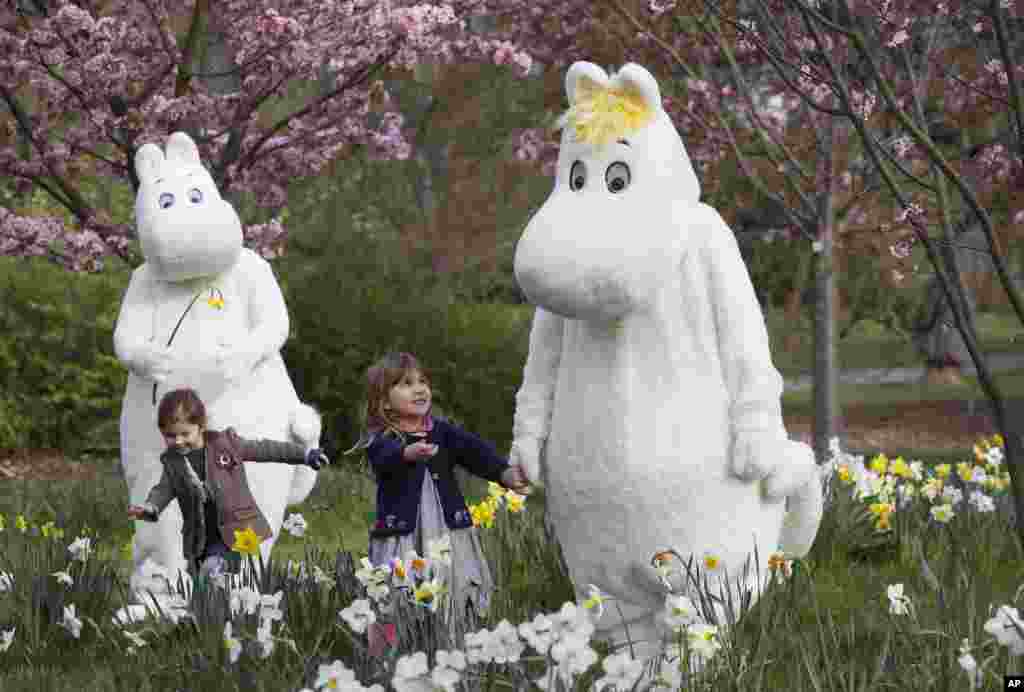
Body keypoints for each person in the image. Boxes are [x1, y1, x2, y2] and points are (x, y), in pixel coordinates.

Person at [347, 352, 530, 638]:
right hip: (403, 536)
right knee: (397, 590)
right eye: (406, 383)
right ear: (384, 402)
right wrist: (406, 453)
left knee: (453, 584)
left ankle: (453, 644)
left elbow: (474, 452)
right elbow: (383, 458)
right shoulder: (382, 439)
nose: (419, 388)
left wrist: (504, 473)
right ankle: (394, 655)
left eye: (423, 381)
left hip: (447, 532)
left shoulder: (443, 433)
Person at [127, 388, 329, 586]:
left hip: (235, 530)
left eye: (185, 434)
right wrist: (151, 507)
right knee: (202, 584)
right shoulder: (173, 462)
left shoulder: (226, 445)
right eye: (170, 436)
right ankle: (213, 615)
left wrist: (304, 455)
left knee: (212, 571)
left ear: (201, 426)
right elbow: (163, 490)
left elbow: (267, 449)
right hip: (200, 536)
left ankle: (225, 600)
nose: (178, 441)